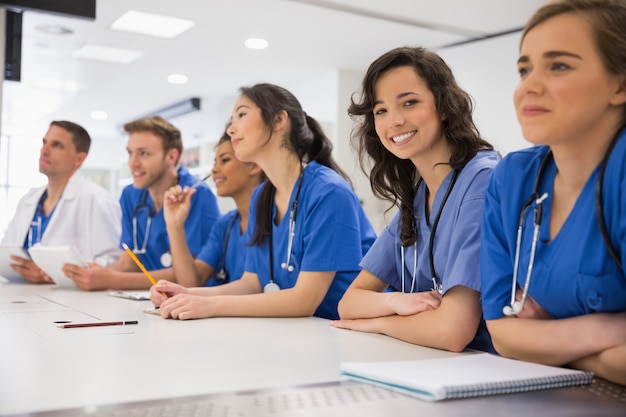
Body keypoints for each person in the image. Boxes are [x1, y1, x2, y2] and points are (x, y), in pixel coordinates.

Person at [480, 0, 626, 385]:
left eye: (558, 66)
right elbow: (503, 333)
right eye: (524, 69)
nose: (529, 85)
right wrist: (604, 331)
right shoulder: (512, 177)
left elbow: (520, 340)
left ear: (620, 84)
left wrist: (550, 342)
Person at [149, 83, 376, 320]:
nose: (231, 130)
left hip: (347, 335)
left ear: (279, 120)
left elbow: (304, 301)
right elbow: (251, 283)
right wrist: (190, 294)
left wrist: (211, 306)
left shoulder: (328, 192)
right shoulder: (262, 197)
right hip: (300, 333)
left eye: (242, 114)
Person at [332, 46, 499, 353]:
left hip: (488, 368)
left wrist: (379, 323)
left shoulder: (482, 180)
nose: (394, 120)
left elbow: (452, 332)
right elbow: (349, 303)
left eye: (409, 102)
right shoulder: (419, 195)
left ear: (444, 106)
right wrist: (398, 300)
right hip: (428, 362)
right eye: (381, 110)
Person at [63, 116, 220, 290]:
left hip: (191, 303)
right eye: (130, 153)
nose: (133, 163)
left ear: (171, 157)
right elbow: (127, 263)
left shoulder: (196, 195)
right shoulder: (130, 195)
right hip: (147, 296)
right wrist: (91, 274)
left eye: (144, 153)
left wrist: (112, 280)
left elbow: (189, 275)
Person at [1, 120, 121, 284]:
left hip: (71, 302)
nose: (44, 151)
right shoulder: (28, 200)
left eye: (57, 145)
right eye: (44, 142)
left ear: (79, 158)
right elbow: (7, 249)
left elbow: (111, 262)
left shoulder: (97, 199)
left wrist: (51, 274)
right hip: (20, 294)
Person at [164, 131, 264, 287]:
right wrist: (175, 225)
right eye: (214, 162)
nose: (214, 170)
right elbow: (191, 281)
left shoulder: (275, 220)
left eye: (224, 160)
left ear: (254, 165)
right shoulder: (225, 225)